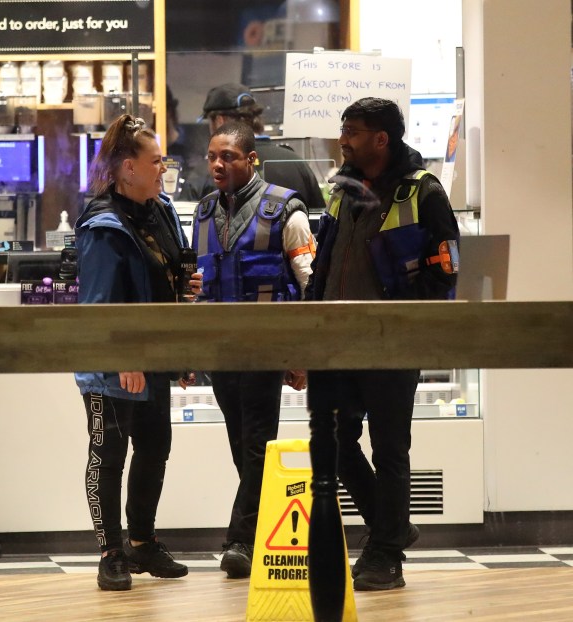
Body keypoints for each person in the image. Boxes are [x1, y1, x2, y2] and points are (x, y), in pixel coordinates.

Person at [305, 97, 459, 591]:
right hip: (335, 343)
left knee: (390, 447)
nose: (343, 139)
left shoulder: (423, 191)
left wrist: (414, 327)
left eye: (351, 131)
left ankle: (385, 555)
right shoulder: (341, 190)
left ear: (381, 139)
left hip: (393, 345)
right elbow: (323, 264)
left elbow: (447, 271)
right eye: (343, 129)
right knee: (333, 444)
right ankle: (390, 527)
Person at [186, 122, 314, 579]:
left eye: (229, 157)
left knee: (257, 444)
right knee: (241, 445)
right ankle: (260, 534)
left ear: (251, 160)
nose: (218, 165)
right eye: (212, 157)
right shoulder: (202, 213)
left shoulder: (286, 210)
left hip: (266, 347)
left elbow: (308, 286)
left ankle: (238, 540)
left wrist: (300, 354)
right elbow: (192, 288)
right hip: (220, 353)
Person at [74, 114, 190, 591]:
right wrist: (125, 358)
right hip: (114, 364)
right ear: (126, 169)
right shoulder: (103, 225)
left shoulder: (159, 209)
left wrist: (184, 284)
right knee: (109, 452)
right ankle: (111, 552)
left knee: (154, 449)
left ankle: (142, 542)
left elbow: (169, 269)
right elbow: (99, 305)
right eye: (156, 161)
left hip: (156, 357)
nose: (163, 169)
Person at [188, 83, 326, 211]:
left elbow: (188, 225)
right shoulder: (296, 163)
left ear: (219, 120)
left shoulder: (209, 171)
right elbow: (318, 221)